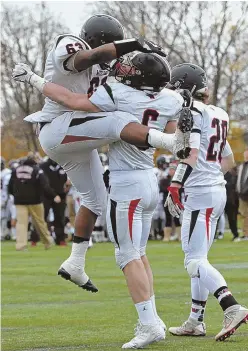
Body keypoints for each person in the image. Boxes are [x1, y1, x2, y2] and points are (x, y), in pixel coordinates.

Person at [13, 52, 195, 349]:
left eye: (132, 68)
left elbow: (71, 101)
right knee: (139, 253)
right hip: (149, 179)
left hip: (127, 182)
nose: (125, 69)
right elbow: (177, 111)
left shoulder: (120, 93)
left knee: (126, 256)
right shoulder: (170, 99)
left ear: (139, 77)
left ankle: (148, 324)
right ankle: (154, 319)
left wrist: (34, 79)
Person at [12, 16, 182, 293]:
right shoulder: (71, 45)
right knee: (117, 121)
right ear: (102, 40)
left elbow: (134, 84)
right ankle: (170, 142)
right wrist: (133, 44)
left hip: (79, 135)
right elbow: (84, 60)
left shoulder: (112, 68)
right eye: (114, 45)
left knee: (96, 201)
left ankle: (75, 263)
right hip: (58, 128)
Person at [165, 63, 248, 341]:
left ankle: (231, 306)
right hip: (217, 190)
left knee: (193, 261)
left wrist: (177, 183)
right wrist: (211, 174)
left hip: (201, 192)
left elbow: (189, 153)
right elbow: (229, 160)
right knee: (199, 258)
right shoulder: (220, 113)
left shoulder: (191, 113)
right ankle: (195, 321)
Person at [8, 155, 59, 250]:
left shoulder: (16, 170)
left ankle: (21, 245)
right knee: (40, 223)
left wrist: (15, 195)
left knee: (22, 223)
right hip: (35, 201)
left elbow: (10, 185)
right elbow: (44, 184)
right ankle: (47, 242)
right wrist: (53, 195)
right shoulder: (37, 170)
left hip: (19, 201)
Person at [40, 158, 68, 245]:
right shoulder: (43, 166)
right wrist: (54, 195)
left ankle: (60, 239)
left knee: (60, 218)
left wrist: (62, 192)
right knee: (42, 217)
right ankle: (38, 238)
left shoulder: (63, 165)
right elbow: (44, 183)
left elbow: (66, 180)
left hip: (60, 195)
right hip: (46, 195)